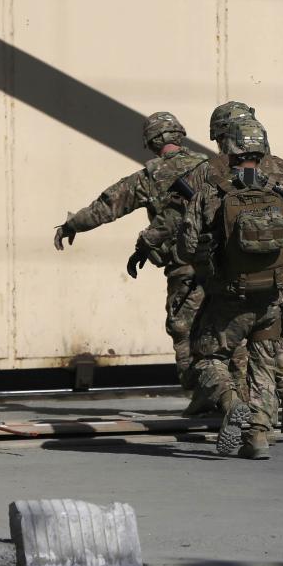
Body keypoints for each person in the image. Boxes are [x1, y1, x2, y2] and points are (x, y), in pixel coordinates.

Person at [179, 117, 283, 459]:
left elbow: (185, 247)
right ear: (262, 150)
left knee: (206, 356)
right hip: (273, 297)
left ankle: (232, 403)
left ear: (229, 149)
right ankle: (258, 437)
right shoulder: (282, 191)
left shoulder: (211, 192)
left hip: (228, 298)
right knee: (264, 366)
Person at [52, 112, 207, 392]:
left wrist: (71, 225)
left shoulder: (148, 177)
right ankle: (243, 398)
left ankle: (202, 397)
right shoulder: (214, 168)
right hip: (226, 266)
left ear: (151, 141)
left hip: (185, 269)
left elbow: (106, 206)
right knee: (229, 331)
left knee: (183, 329)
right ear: (180, 134)